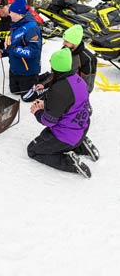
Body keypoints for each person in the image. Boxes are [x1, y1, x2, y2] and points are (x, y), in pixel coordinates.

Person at [27, 47, 99, 179]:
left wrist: (38, 112)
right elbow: (70, 104)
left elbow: (48, 120)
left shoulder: (59, 89)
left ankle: (69, 162)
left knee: (33, 150)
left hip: (67, 135)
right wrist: (47, 104)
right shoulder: (77, 79)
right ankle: (81, 145)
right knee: (46, 138)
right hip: (82, 127)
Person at [25, 24, 97, 101]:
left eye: (66, 41)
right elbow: (56, 72)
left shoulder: (88, 58)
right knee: (31, 90)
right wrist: (44, 84)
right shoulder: (66, 49)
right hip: (59, 84)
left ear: (75, 42)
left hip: (71, 93)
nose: (63, 43)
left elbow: (87, 87)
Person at [0, 0, 42, 97]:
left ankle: (43, 84)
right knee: (13, 92)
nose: (9, 14)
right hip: (15, 69)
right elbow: (13, 45)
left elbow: (33, 51)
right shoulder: (15, 26)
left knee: (27, 98)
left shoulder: (31, 28)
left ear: (19, 13)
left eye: (11, 12)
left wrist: (12, 49)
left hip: (27, 72)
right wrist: (4, 52)